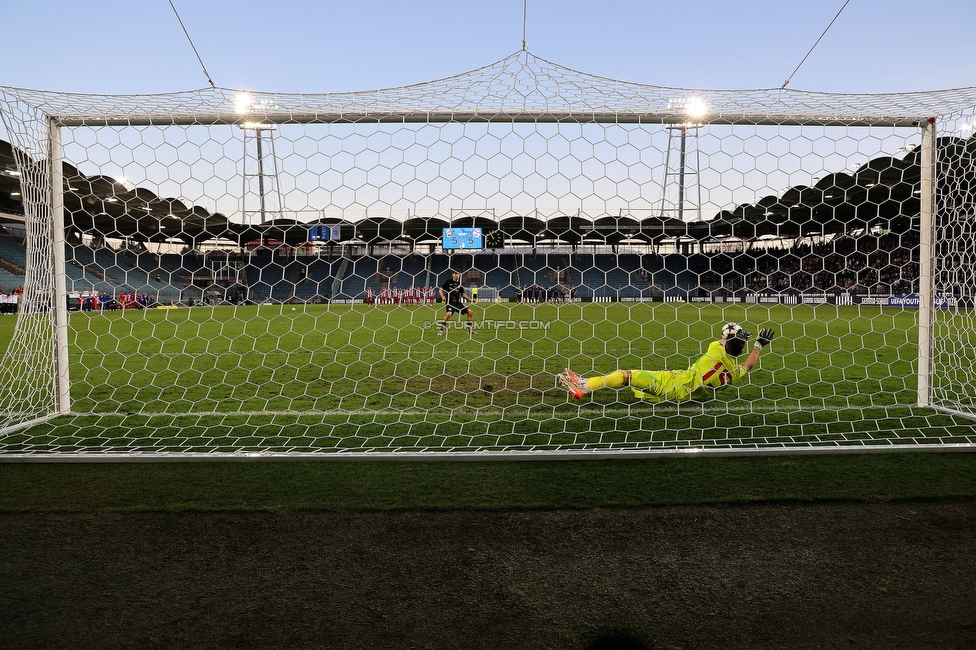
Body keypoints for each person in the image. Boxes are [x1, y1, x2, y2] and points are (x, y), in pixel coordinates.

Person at [557, 323, 775, 402]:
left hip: (673, 385)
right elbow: (749, 365)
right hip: (679, 390)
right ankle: (586, 380)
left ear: (725, 342)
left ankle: (583, 388)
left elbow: (726, 337)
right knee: (636, 384)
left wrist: (738, 334)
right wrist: (758, 345)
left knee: (626, 375)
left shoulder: (715, 349)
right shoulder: (733, 372)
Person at [438, 270, 474, 337]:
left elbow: (462, 294)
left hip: (457, 303)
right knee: (448, 314)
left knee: (470, 312)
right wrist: (442, 296)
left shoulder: (460, 284)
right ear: (453, 274)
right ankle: (440, 330)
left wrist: (469, 299)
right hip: (450, 302)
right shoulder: (448, 282)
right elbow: (440, 289)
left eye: (458, 274)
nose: (457, 275)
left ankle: (470, 331)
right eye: (455, 273)